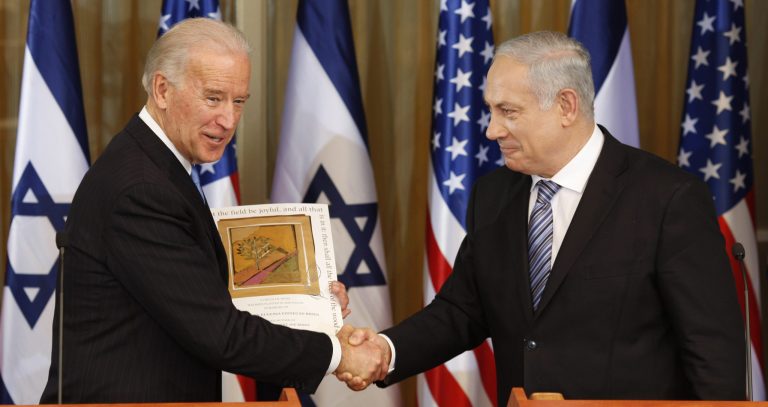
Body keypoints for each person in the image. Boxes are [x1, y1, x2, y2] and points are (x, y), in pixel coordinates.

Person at [342, 31, 746, 404]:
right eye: (491, 111)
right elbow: (462, 310)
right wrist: (383, 351)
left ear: (566, 106)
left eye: (508, 111)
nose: (492, 130)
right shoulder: (494, 194)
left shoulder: (666, 198)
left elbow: (712, 354)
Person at [40, 18, 382, 403]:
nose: (228, 120)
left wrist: (313, 308)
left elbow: (196, 296)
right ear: (162, 90)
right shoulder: (141, 191)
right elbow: (220, 334)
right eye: (213, 98)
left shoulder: (159, 168)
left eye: (238, 102)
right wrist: (339, 354)